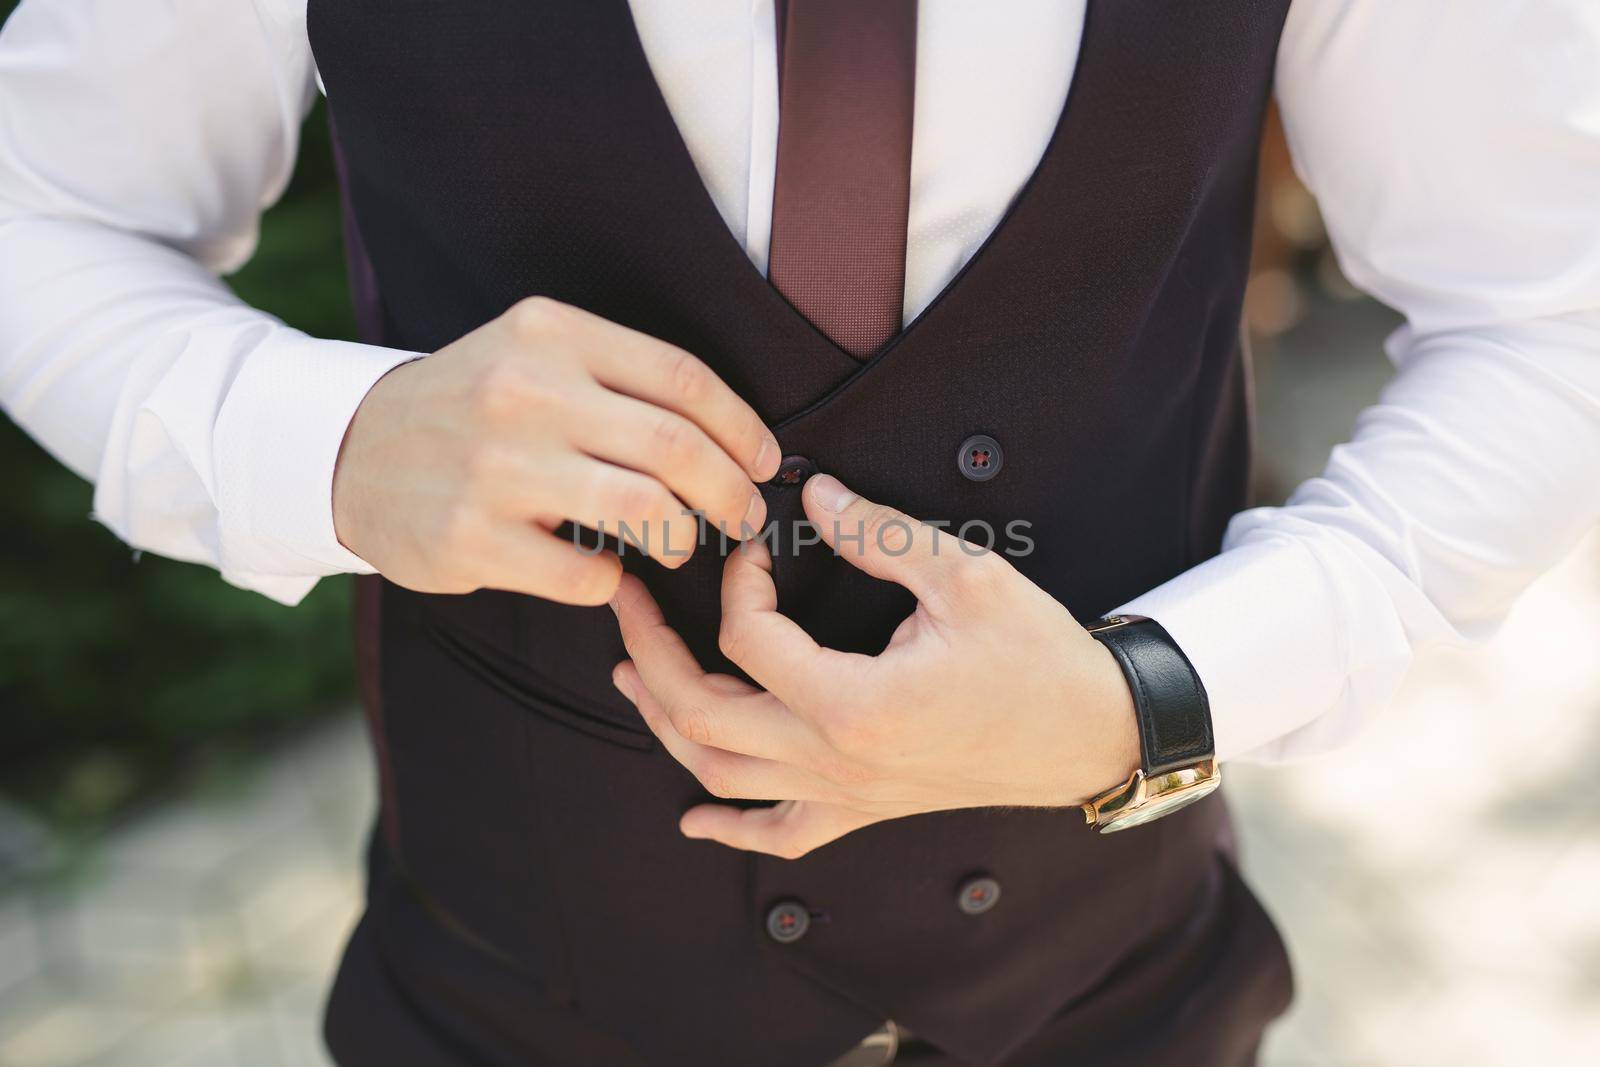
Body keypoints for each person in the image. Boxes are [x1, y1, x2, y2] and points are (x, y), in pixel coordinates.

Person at [2, 1, 1597, 1064]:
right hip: (508, 1002)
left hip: (1119, 1000)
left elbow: (1549, 312)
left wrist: (1154, 695)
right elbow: (40, 205)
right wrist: (328, 444)